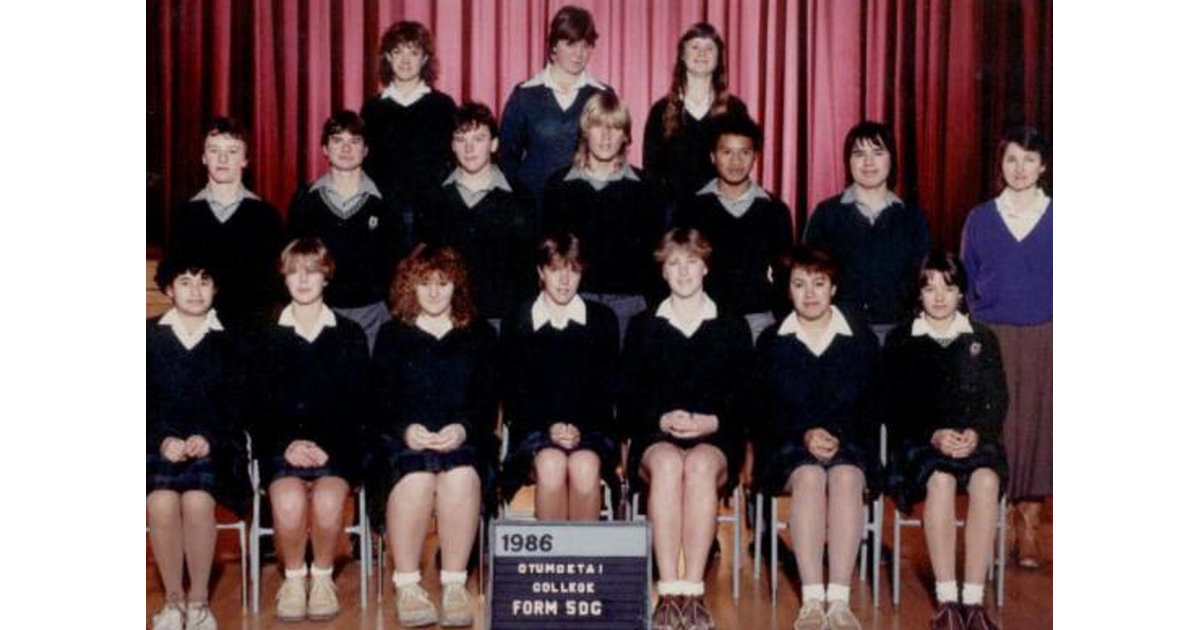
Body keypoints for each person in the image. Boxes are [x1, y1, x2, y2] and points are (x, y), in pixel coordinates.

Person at [621, 228, 752, 630]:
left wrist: (712, 421)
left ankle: (693, 592)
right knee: (666, 466)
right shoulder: (644, 325)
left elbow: (748, 399)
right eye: (674, 263)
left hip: (715, 435)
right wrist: (659, 419)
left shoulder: (731, 325)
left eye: (691, 261)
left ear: (706, 266)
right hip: (656, 435)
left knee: (696, 467)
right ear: (663, 271)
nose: (683, 271)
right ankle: (669, 590)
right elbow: (627, 399)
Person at [751, 246, 881, 630]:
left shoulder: (860, 340)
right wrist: (804, 434)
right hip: (789, 444)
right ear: (787, 290)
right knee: (809, 477)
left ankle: (838, 601)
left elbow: (873, 408)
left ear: (834, 287)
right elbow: (764, 413)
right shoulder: (773, 341)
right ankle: (811, 600)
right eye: (799, 284)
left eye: (819, 283)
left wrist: (838, 436)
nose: (810, 293)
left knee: (845, 477)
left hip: (849, 442)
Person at [370, 245, 499, 628]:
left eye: (443, 283)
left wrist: (462, 429)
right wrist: (405, 430)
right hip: (404, 441)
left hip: (464, 438)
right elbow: (380, 400)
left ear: (455, 286)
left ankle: (455, 584)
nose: (434, 292)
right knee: (416, 476)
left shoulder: (480, 333)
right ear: (410, 286)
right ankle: (407, 585)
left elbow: (487, 400)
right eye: (425, 283)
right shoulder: (393, 334)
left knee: (460, 475)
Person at [883, 250, 1008, 630]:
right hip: (920, 442)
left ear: (961, 294)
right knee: (941, 480)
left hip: (973, 438)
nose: (938, 297)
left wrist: (976, 433)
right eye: (929, 287)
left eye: (948, 287)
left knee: (986, 480)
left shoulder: (982, 338)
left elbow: (997, 399)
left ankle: (973, 598)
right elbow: (894, 404)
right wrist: (933, 434)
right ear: (918, 294)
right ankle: (947, 598)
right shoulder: (902, 339)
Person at [248, 238, 370, 622]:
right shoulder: (265, 333)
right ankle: (294, 578)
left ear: (326, 276)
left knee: (330, 503)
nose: (303, 280)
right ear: (284, 277)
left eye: (312, 271)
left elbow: (359, 405)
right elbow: (255, 405)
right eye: (295, 271)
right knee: (287, 503)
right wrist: (285, 445)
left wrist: (329, 447)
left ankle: (321, 577)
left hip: (335, 450)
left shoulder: (349, 333)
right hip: (282, 449)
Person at [960, 125, 1052, 570]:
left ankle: (1028, 525)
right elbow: (967, 274)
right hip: (993, 333)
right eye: (1012, 159)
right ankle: (991, 522)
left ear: (1044, 166)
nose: (1020, 169)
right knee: (1000, 424)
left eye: (1029, 160)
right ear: (1001, 165)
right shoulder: (980, 218)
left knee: (1041, 428)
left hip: (1047, 332)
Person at [147, 259, 250, 630]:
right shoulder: (147, 337)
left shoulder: (232, 340)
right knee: (160, 502)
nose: (195, 290)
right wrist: (162, 441)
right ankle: (173, 601)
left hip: (216, 447)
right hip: (158, 446)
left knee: (197, 500)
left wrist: (209, 438)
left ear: (216, 289)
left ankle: (199, 601)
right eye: (185, 281)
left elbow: (239, 406)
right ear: (169, 289)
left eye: (205, 281)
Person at [500, 232, 620, 520]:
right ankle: (554, 563)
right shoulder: (517, 319)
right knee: (552, 464)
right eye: (555, 270)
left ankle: (584, 562)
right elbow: (514, 393)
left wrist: (577, 429)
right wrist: (550, 428)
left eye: (573, 270)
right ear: (540, 271)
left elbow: (607, 391)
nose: (564, 281)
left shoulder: (603, 320)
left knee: (584, 466)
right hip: (534, 430)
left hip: (590, 431)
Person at [542, 92, 666, 340]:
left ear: (626, 136)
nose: (606, 136)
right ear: (585, 131)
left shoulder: (647, 187)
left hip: (630, 306)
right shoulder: (559, 186)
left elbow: (656, 258)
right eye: (598, 126)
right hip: (574, 301)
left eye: (616, 127)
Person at [803, 120, 931, 344]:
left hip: (898, 337)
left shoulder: (912, 219)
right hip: (840, 336)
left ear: (891, 159)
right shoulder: (826, 215)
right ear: (848, 161)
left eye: (878, 152)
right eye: (859, 154)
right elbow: (806, 276)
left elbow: (923, 283)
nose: (868, 162)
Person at [288, 111, 405, 352]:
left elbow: (396, 261)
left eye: (355, 141)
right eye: (337, 140)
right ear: (324, 148)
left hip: (372, 316)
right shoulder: (304, 200)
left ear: (366, 150)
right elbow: (292, 261)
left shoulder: (385, 202)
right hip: (318, 311)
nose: (346, 148)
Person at [674, 113, 794, 341]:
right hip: (706, 320)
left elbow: (786, 279)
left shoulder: (775, 211)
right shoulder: (691, 208)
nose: (736, 161)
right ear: (712, 156)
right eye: (726, 152)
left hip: (760, 323)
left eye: (744, 152)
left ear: (755, 156)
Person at [416, 102, 536, 329]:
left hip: (503, 322)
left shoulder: (520, 197)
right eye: (461, 140)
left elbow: (528, 274)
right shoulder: (433, 198)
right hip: (448, 321)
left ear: (494, 144)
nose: (469, 148)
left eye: (478, 139)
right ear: (452, 145)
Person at [161, 116, 285, 331]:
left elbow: (277, 285)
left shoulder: (266, 215)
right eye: (214, 150)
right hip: (199, 330)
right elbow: (169, 275)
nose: (223, 158)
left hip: (252, 332)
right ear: (203, 157)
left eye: (232, 151)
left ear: (245, 160)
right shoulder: (184, 214)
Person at [499, 5, 613, 215]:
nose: (579, 53)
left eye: (586, 45)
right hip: (534, 207)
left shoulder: (602, 95)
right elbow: (507, 158)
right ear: (553, 46)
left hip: (586, 206)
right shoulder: (524, 94)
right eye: (570, 44)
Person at [362, 20, 457, 249]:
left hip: (432, 218)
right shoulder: (373, 109)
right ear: (387, 57)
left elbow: (453, 164)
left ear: (424, 59)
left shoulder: (443, 106)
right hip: (385, 216)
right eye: (397, 52)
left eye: (413, 53)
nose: (405, 60)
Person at [642, 22, 750, 215]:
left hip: (720, 212)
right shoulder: (660, 111)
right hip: (673, 216)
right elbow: (652, 174)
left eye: (709, 48)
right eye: (695, 47)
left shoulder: (735, 109)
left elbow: (741, 164)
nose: (702, 53)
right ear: (682, 55)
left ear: (719, 58)